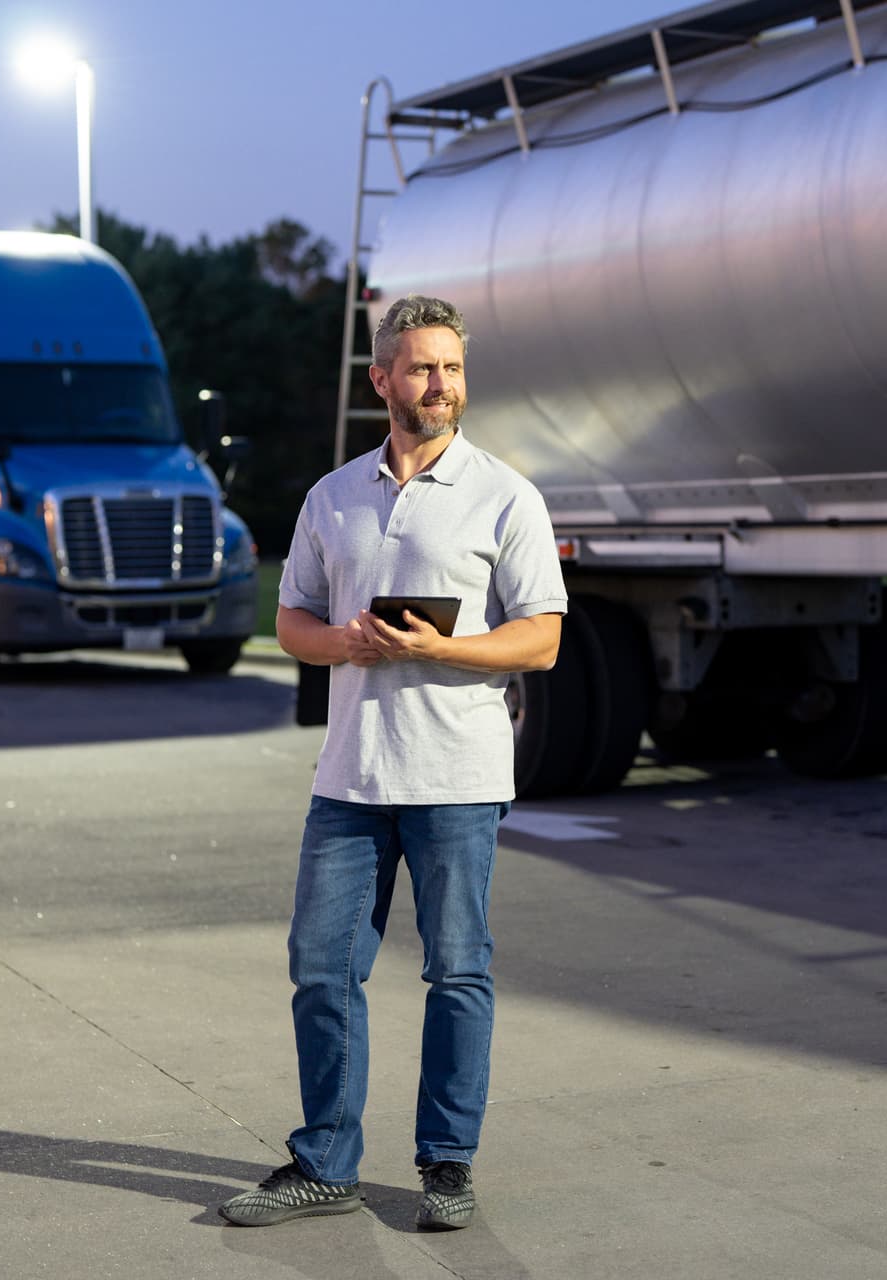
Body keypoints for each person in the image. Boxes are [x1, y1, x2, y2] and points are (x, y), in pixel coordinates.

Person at [218, 295, 566, 1231]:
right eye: (421, 369)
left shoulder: (506, 495)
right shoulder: (331, 498)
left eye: (452, 368)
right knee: (320, 968)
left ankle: (446, 1165)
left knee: (458, 973)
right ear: (382, 380)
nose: (441, 385)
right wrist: (347, 644)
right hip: (351, 781)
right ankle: (324, 1161)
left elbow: (541, 642)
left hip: (458, 781)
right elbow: (291, 621)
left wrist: (440, 652)